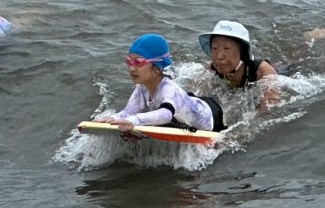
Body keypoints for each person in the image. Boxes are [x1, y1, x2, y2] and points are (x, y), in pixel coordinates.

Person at [94, 33, 225, 133]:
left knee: (169, 118)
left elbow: (166, 114)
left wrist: (134, 120)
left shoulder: (168, 88)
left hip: (211, 114)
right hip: (182, 104)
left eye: (139, 62)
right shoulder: (141, 88)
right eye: (129, 61)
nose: (132, 68)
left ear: (157, 68)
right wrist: (111, 119)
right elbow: (128, 111)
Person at [198, 20, 279, 108]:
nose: (219, 56)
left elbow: (269, 109)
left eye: (226, 48)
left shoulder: (264, 72)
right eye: (215, 48)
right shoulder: (211, 70)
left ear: (242, 52)